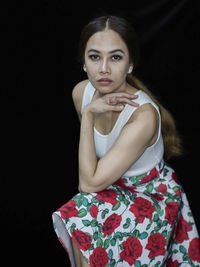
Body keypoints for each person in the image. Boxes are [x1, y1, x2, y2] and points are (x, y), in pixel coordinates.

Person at [52, 15, 200, 267]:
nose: (104, 68)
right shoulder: (81, 93)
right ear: (84, 63)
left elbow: (88, 184)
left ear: (130, 64)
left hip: (151, 199)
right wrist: (89, 112)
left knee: (81, 210)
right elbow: (93, 177)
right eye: (95, 57)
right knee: (80, 218)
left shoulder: (143, 116)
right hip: (112, 190)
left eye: (116, 57)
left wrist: (87, 117)